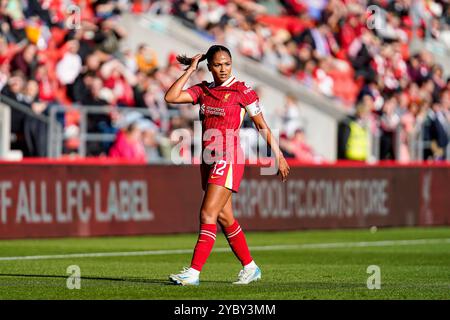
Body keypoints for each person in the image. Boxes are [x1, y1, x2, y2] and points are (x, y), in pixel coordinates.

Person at [164, 45, 290, 286]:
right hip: (208, 158)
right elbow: (170, 97)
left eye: (227, 64)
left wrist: (279, 155)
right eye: (218, 64)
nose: (223, 69)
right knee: (224, 217)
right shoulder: (203, 90)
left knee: (207, 213)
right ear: (209, 66)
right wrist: (191, 69)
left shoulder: (242, 91)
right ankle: (250, 267)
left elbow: (261, 125)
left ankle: (193, 272)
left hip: (228, 156)